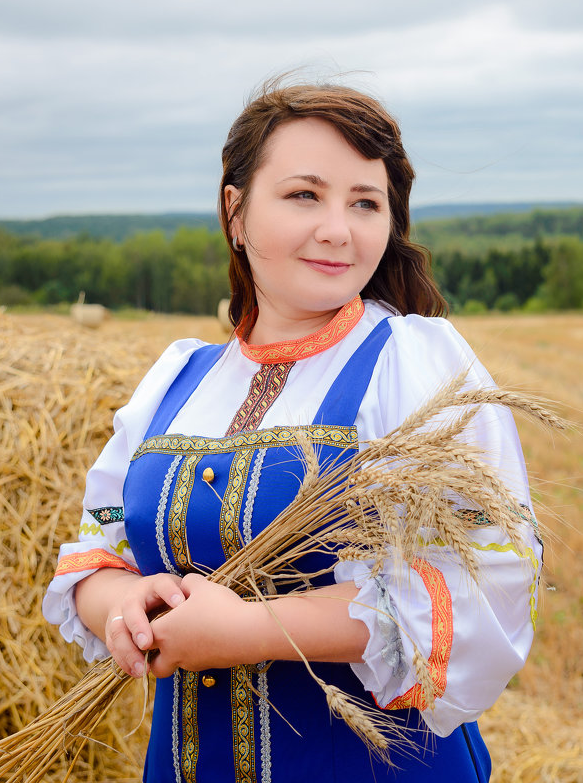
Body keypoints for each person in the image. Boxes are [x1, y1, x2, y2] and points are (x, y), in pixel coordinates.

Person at [42, 80, 541, 783]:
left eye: (365, 203)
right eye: (305, 195)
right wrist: (119, 605)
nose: (338, 229)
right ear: (235, 211)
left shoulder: (414, 366)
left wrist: (250, 629)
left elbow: (479, 576)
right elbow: (101, 541)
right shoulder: (177, 379)